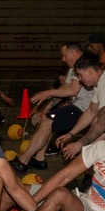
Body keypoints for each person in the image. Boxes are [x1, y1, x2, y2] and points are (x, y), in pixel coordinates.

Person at [13, 42, 92, 171]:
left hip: (84, 109)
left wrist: (48, 92)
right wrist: (46, 108)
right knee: (46, 118)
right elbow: (64, 90)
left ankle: (23, 160)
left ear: (73, 53)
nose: (63, 59)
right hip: (75, 106)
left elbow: (73, 90)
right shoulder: (72, 69)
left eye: (64, 55)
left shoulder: (83, 64)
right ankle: (39, 159)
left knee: (48, 121)